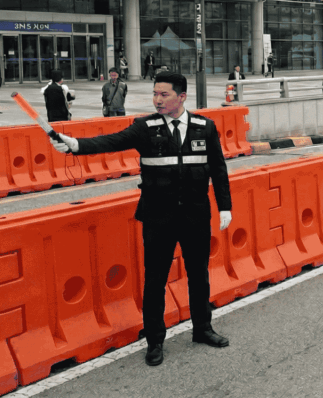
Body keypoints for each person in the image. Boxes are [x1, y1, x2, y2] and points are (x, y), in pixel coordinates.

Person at [48, 72, 233, 367]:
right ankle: (155, 341)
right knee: (155, 279)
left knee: (199, 275)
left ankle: (203, 329)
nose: (157, 100)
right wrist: (75, 145)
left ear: (181, 97)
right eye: (155, 94)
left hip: (196, 215)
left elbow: (218, 169)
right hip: (158, 217)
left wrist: (225, 207)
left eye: (164, 95)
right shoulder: (144, 128)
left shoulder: (204, 127)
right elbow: (111, 141)